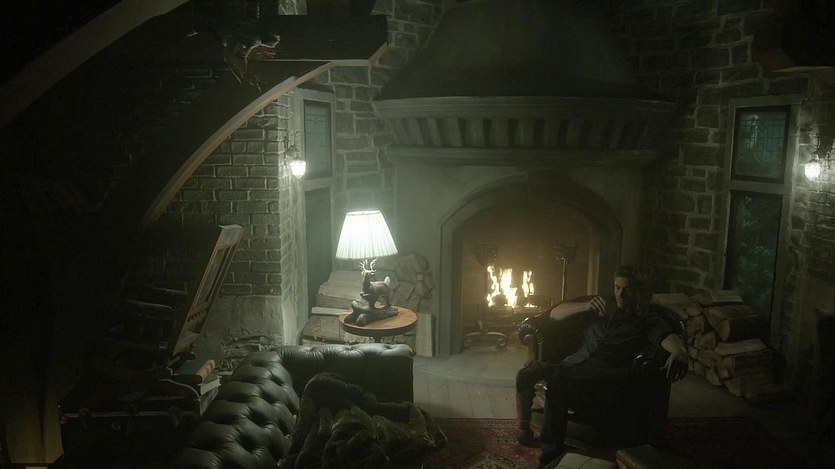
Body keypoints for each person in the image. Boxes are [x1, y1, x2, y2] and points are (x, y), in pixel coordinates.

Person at [516, 265, 688, 468]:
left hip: (608, 375)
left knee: (556, 378)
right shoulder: (603, 307)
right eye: (617, 287)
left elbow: (667, 337)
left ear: (638, 291)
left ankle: (546, 372)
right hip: (577, 366)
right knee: (557, 385)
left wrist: (680, 351)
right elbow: (553, 315)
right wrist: (585, 306)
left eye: (627, 289)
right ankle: (549, 457)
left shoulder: (646, 319)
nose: (620, 294)